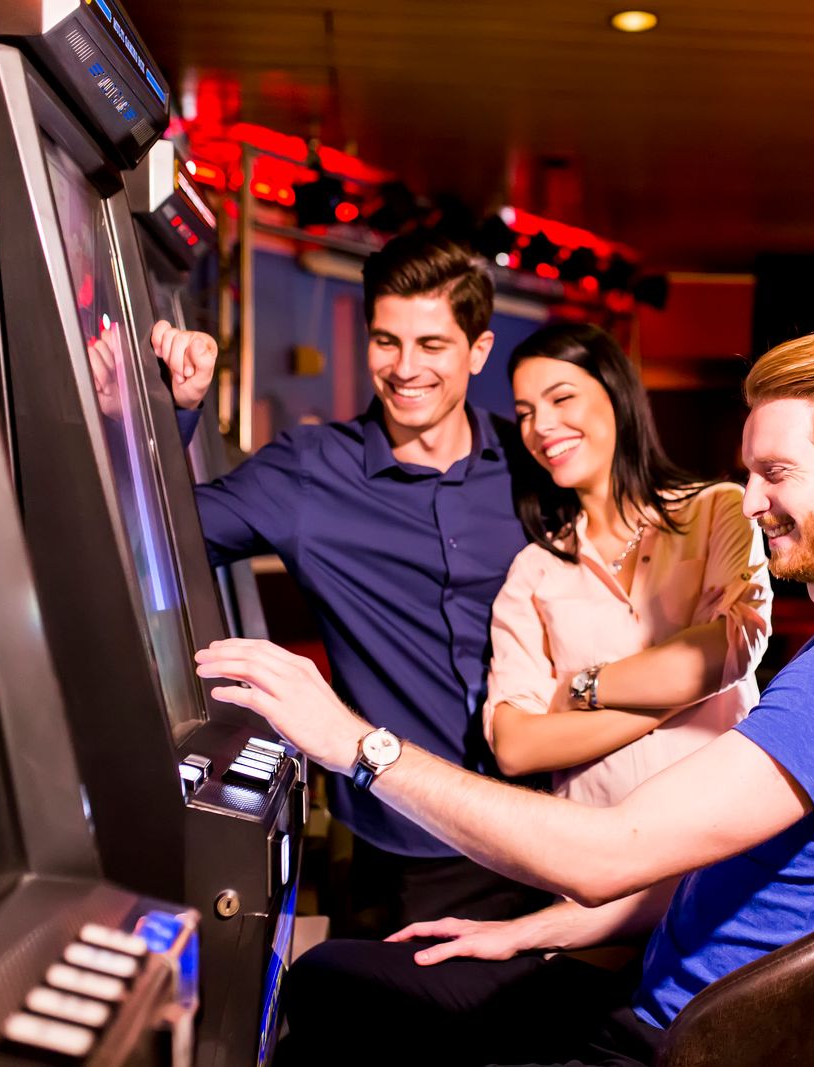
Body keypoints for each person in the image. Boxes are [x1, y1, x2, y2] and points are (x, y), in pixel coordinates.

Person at [196, 329, 814, 1066]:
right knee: (334, 978)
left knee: (331, 1013)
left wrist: (356, 744)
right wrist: (535, 928)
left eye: (777, 472)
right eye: (751, 471)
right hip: (657, 1003)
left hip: (664, 1043)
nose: (754, 497)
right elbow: (698, 867)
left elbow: (609, 854)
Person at [149, 234, 553, 932]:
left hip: (541, 828)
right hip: (401, 849)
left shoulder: (532, 462)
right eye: (386, 341)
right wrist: (172, 408)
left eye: (432, 345)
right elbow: (157, 538)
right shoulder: (309, 473)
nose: (404, 367)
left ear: (477, 352)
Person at [486, 321, 770, 809]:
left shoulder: (717, 509)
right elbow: (514, 746)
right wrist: (674, 701)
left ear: (616, 394)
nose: (541, 426)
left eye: (561, 398)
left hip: (725, 852)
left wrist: (580, 688)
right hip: (595, 868)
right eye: (525, 412)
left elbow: (732, 645)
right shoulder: (535, 569)